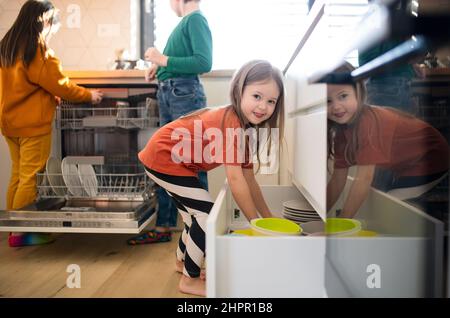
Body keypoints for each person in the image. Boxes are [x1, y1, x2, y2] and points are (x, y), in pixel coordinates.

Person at [137, 60, 284, 296]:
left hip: (172, 160)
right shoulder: (232, 122)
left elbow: (250, 180)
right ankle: (189, 279)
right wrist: (255, 223)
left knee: (192, 217)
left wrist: (267, 219)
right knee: (205, 215)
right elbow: (236, 181)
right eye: (257, 96)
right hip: (164, 157)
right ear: (239, 92)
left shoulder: (245, 131)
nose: (263, 106)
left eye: (271, 101)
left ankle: (181, 263)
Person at [0, 0, 103, 247]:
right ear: (43, 20)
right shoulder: (36, 49)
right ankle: (22, 233)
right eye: (52, 26)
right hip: (33, 124)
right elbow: (61, 84)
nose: (52, 31)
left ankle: (12, 230)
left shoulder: (8, 45)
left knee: (17, 175)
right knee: (31, 178)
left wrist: (46, 95)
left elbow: (25, 85)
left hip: (10, 122)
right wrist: (89, 95)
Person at [128, 0, 213, 245]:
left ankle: (200, 230)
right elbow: (181, 62)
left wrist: (162, 59)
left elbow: (203, 62)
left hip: (182, 94)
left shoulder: (195, 19)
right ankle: (166, 226)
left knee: (191, 161)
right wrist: (159, 68)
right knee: (169, 161)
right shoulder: (186, 23)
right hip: (173, 92)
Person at [326, 62, 449, 219]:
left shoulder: (367, 123)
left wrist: (342, 222)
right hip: (406, 163)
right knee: (383, 204)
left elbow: (363, 179)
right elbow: (337, 180)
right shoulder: (342, 132)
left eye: (343, 96)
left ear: (358, 93)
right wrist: (316, 217)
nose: (336, 107)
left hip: (431, 157)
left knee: (390, 209)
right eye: (328, 101)